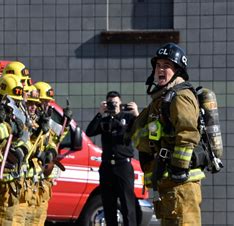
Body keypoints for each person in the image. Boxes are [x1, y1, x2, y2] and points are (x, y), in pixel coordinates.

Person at [131, 43, 205, 226]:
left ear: (178, 70)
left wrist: (179, 167)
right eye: (158, 65)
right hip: (168, 184)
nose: (160, 70)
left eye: (167, 66)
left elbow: (187, 132)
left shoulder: (181, 96)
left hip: (182, 185)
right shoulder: (160, 99)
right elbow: (137, 133)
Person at [85, 91, 139, 226]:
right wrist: (100, 113)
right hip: (107, 167)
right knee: (109, 205)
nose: (113, 105)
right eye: (110, 103)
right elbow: (89, 132)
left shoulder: (128, 118)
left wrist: (136, 114)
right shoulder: (104, 120)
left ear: (121, 103)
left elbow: (142, 130)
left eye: (115, 102)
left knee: (127, 205)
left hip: (123, 166)